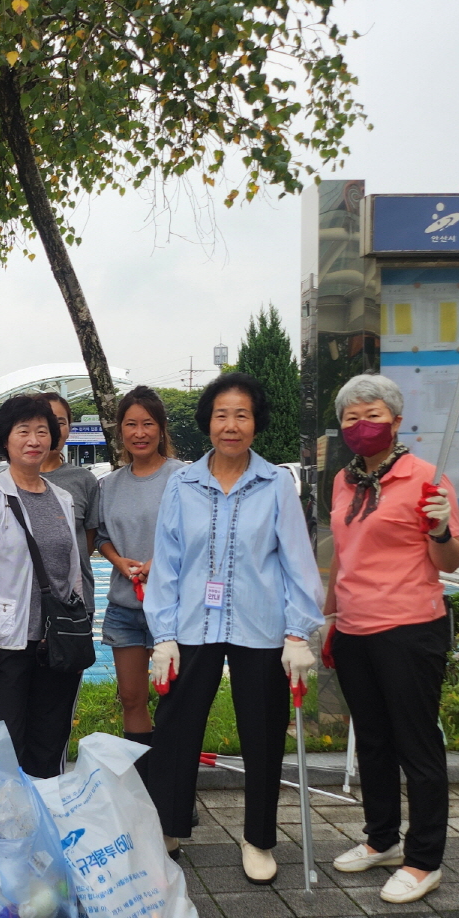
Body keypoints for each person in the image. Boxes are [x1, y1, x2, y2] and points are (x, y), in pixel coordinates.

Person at [139, 371, 323, 880]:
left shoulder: (276, 484)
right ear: (208, 422)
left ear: (256, 423)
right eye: (222, 415)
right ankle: (169, 826)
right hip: (192, 626)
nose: (231, 425)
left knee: (263, 732)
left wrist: (297, 632)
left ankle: (258, 839)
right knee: (176, 728)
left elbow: (297, 561)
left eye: (242, 415)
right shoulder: (183, 484)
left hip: (260, 626)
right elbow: (168, 563)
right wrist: (163, 636)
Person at [324, 373, 459, 905]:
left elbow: (449, 561)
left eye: (373, 415)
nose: (362, 425)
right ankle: (381, 838)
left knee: (416, 744)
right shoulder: (344, 480)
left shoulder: (427, 478)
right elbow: (343, 555)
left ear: (397, 420)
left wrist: (440, 529)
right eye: (351, 418)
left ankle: (424, 860)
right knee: (373, 742)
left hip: (409, 629)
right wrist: (330, 618)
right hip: (354, 629)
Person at [0, 393, 84, 779]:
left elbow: (71, 568)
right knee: (5, 738)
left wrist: (78, 626)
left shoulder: (62, 498)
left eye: (42, 431)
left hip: (56, 640)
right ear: (5, 440)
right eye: (23, 431)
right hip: (9, 641)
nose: (34, 440)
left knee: (49, 735)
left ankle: (44, 806)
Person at [95, 386, 185, 745]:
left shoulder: (183, 478)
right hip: (125, 608)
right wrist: (118, 560)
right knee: (132, 699)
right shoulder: (110, 484)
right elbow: (102, 536)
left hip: (174, 609)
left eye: (148, 424)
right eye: (131, 424)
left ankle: (171, 774)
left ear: (161, 429)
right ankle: (142, 774)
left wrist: (158, 563)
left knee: (175, 701)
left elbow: (196, 536)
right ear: (121, 430)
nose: (139, 433)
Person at [37, 392, 101, 619]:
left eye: (60, 422)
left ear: (69, 428)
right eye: (45, 421)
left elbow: (88, 541)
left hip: (76, 603)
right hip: (26, 602)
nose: (54, 429)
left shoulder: (84, 480)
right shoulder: (11, 482)